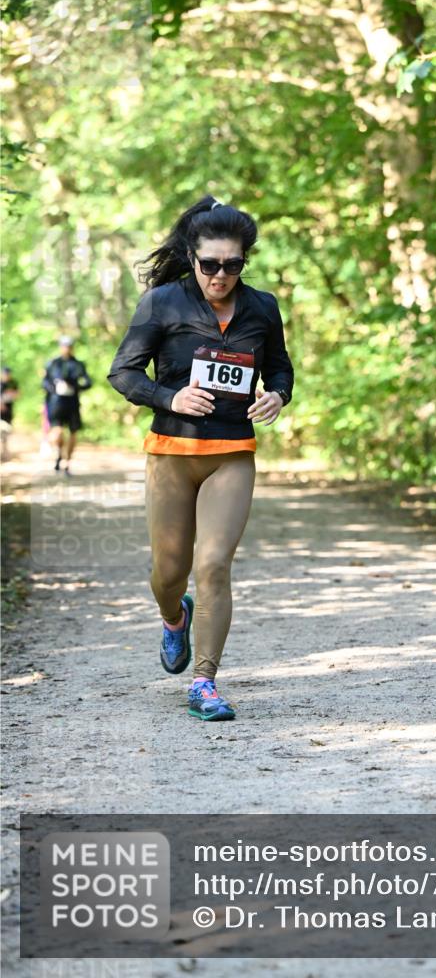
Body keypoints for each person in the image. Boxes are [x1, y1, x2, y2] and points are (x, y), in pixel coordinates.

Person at [108, 196, 294, 721]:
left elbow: (280, 367)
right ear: (192, 258)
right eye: (210, 264)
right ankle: (174, 617)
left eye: (232, 265)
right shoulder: (162, 303)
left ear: (244, 262)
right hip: (172, 453)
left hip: (231, 454)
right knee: (169, 573)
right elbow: (123, 373)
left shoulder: (262, 307)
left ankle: (205, 682)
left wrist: (277, 395)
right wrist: (171, 398)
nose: (220, 275)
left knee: (213, 565)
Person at [42, 337, 93, 474]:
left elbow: (88, 382)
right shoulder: (53, 363)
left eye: (69, 346)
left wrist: (76, 387)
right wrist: (54, 388)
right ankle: (59, 453)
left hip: (72, 403)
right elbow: (44, 382)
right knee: (57, 433)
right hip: (56, 403)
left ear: (72, 347)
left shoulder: (78, 364)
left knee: (73, 432)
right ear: (60, 347)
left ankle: (67, 462)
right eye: (64, 346)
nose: (67, 348)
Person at [1, 366, 19, 460]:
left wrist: (12, 394)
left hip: (8, 410)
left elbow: (18, 393)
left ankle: (4, 451)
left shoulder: (13, 383)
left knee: (7, 430)